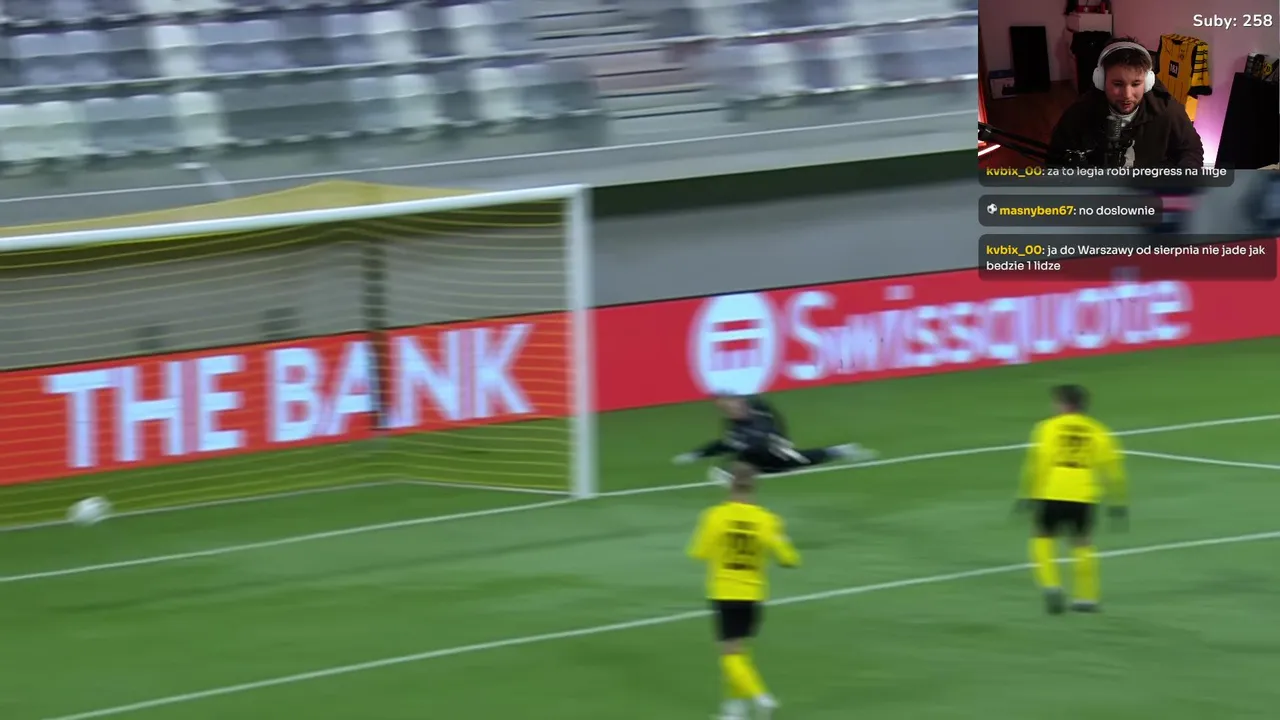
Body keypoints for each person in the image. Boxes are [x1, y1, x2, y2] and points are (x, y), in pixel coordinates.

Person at [687, 462, 799, 720]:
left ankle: (761, 697)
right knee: (739, 652)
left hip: (725, 590)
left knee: (729, 654)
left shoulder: (715, 516)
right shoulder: (766, 519)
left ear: (729, 485)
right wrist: (782, 540)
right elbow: (790, 559)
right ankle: (734, 710)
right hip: (753, 594)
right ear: (754, 487)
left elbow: (698, 552)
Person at [1016, 384, 1128, 614]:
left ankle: (1051, 584)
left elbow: (1038, 462)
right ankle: (1087, 598)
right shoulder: (1098, 430)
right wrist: (1119, 500)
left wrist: (1029, 494)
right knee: (1082, 543)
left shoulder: (1047, 427)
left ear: (1063, 404)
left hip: (1053, 490)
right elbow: (1113, 468)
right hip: (1084, 493)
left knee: (1042, 538)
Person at [1048, 38, 1203, 169]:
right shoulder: (1080, 113)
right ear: (1101, 81)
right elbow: (1055, 159)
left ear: (1148, 82)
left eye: (1136, 84)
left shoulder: (1167, 111)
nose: (1127, 95)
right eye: (1118, 84)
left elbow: (1191, 149)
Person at [672, 392, 876, 486]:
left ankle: (843, 450)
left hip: (773, 451)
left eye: (731, 405)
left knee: (800, 460)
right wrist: (696, 454)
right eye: (725, 409)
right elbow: (725, 444)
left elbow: (773, 423)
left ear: (739, 401)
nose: (730, 410)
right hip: (761, 455)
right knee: (744, 458)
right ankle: (729, 477)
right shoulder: (735, 426)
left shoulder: (759, 409)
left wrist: (781, 438)